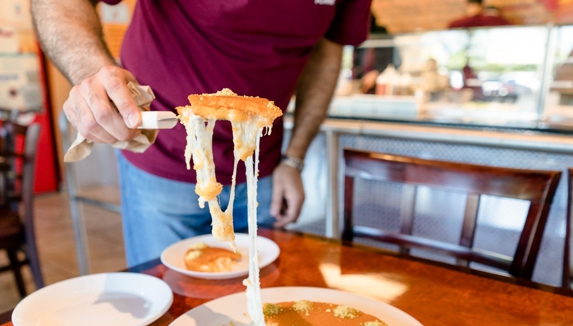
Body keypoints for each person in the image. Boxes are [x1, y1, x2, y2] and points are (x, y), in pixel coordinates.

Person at [30, 0, 372, 267]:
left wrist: (294, 159)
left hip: (262, 172)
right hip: (162, 160)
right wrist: (93, 74)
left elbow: (329, 51)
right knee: (170, 301)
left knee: (259, 298)